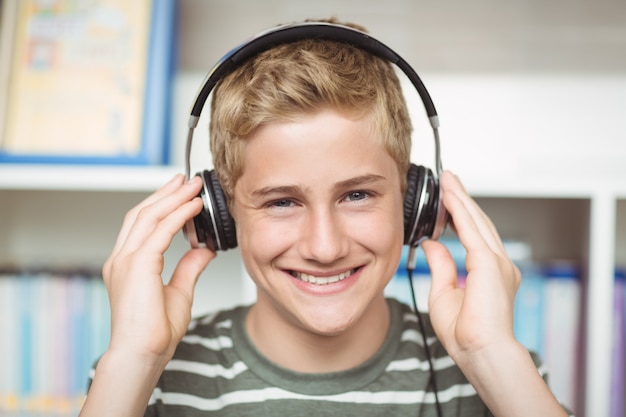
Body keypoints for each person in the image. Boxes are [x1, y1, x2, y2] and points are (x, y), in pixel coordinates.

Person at [80, 19, 573, 417]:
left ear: (416, 202)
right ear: (217, 214)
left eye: (356, 194)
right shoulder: (142, 381)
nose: (324, 246)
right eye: (281, 202)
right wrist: (133, 361)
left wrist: (491, 356)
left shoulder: (497, 379)